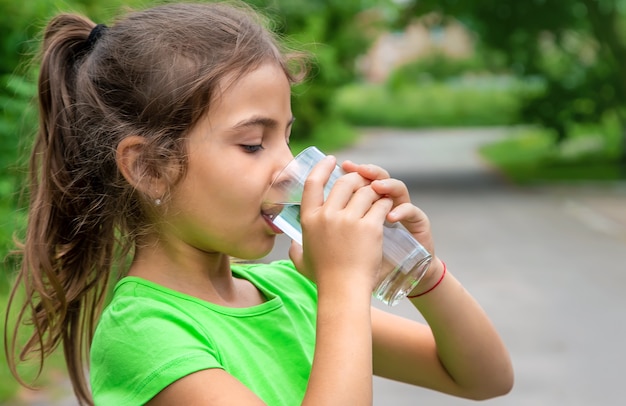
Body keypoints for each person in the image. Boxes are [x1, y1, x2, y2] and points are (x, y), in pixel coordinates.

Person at [4, 2, 513, 405]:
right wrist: (341, 284)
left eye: (287, 138)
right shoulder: (146, 334)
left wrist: (417, 270)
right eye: (253, 143)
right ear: (148, 167)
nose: (289, 168)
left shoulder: (291, 293)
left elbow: (483, 378)